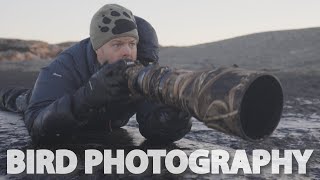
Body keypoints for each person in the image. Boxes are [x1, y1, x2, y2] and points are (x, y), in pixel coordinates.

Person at [0, 4, 192, 145]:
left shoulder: (141, 64)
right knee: (20, 99)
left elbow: (154, 128)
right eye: (117, 44)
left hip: (102, 120)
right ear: (97, 48)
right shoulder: (64, 66)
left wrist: (175, 115)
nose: (127, 52)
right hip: (54, 100)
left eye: (131, 44)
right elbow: (38, 126)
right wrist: (88, 96)